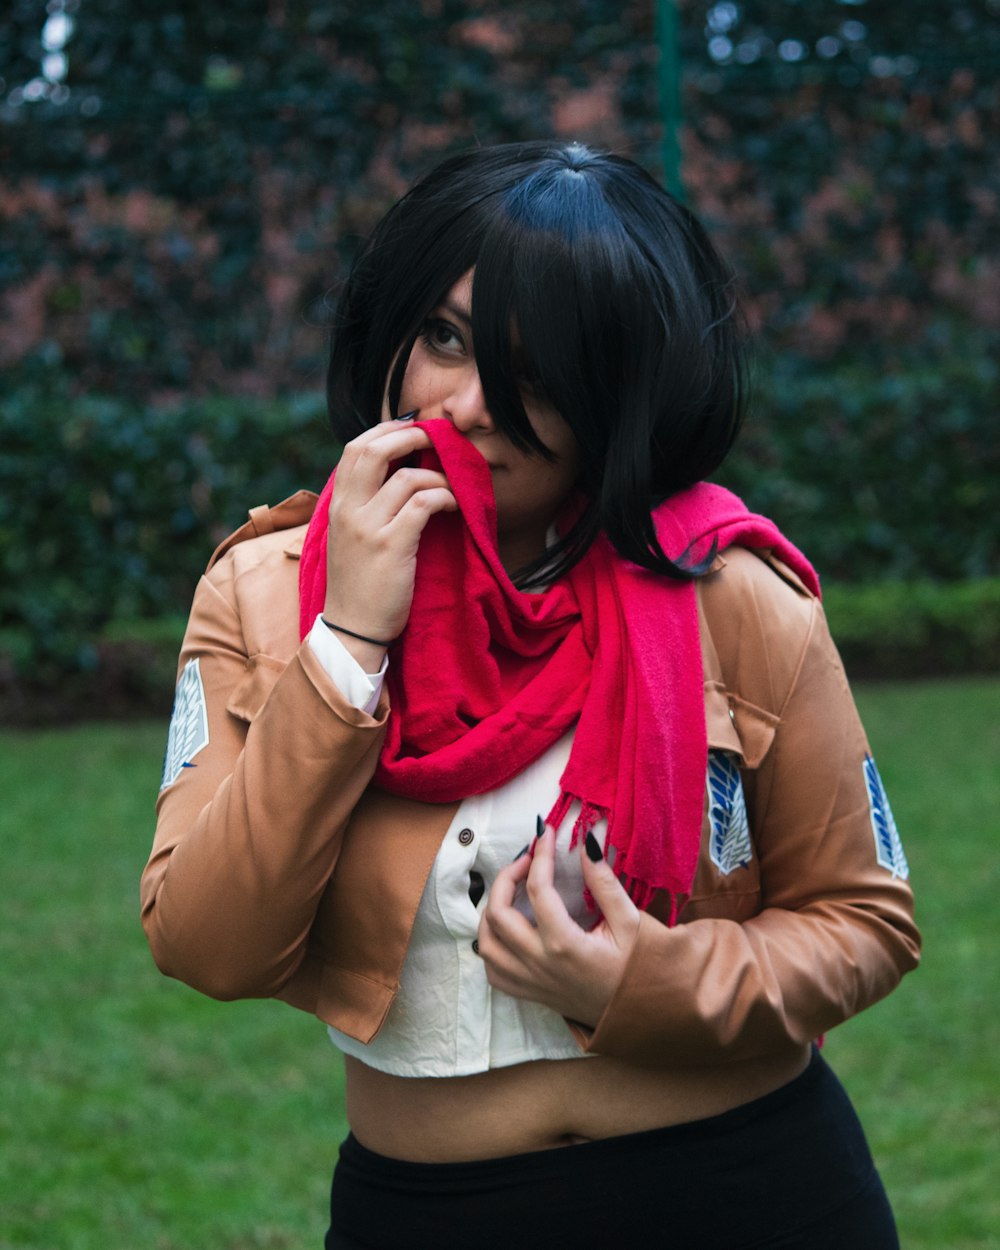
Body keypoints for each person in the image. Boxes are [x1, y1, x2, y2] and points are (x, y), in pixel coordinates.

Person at [142, 141, 920, 1249]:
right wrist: (349, 639)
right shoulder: (263, 596)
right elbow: (208, 944)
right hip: (432, 1211)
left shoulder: (731, 591)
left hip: (755, 1189)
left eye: (538, 369)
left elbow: (864, 920)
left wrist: (642, 979)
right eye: (444, 338)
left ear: (624, 388)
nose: (464, 406)